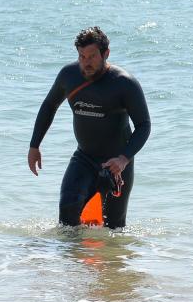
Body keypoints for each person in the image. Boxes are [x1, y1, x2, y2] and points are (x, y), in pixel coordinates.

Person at [28, 26, 151, 229]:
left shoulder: (124, 83)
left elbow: (144, 125)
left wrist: (124, 159)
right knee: (67, 215)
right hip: (84, 158)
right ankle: (69, 261)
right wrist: (35, 145)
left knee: (114, 229)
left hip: (115, 165)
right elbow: (49, 105)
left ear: (106, 54)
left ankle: (112, 261)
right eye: (81, 56)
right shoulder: (69, 76)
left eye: (92, 56)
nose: (86, 63)